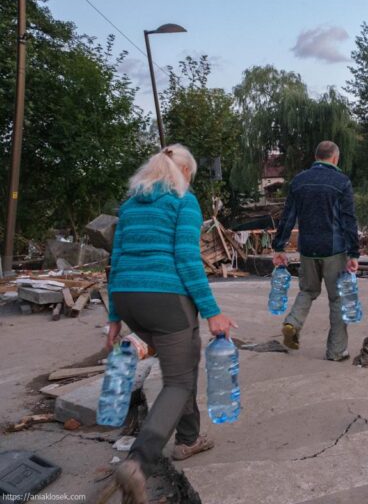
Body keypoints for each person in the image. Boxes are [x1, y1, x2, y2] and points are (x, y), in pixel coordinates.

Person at [106, 144, 237, 503]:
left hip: (128, 297)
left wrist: (114, 317)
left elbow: (115, 259)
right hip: (165, 298)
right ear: (184, 174)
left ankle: (189, 438)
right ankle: (138, 463)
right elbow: (187, 259)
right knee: (179, 382)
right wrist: (213, 312)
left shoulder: (130, 205)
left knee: (184, 361)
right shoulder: (183, 202)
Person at [271, 140, 360, 361]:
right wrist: (354, 253)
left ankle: (293, 322)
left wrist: (279, 247)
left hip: (308, 249)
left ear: (316, 156)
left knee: (308, 291)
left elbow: (288, 216)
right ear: (335, 158)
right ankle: (336, 351)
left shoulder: (299, 181)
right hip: (334, 250)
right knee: (337, 298)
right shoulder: (341, 182)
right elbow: (349, 220)